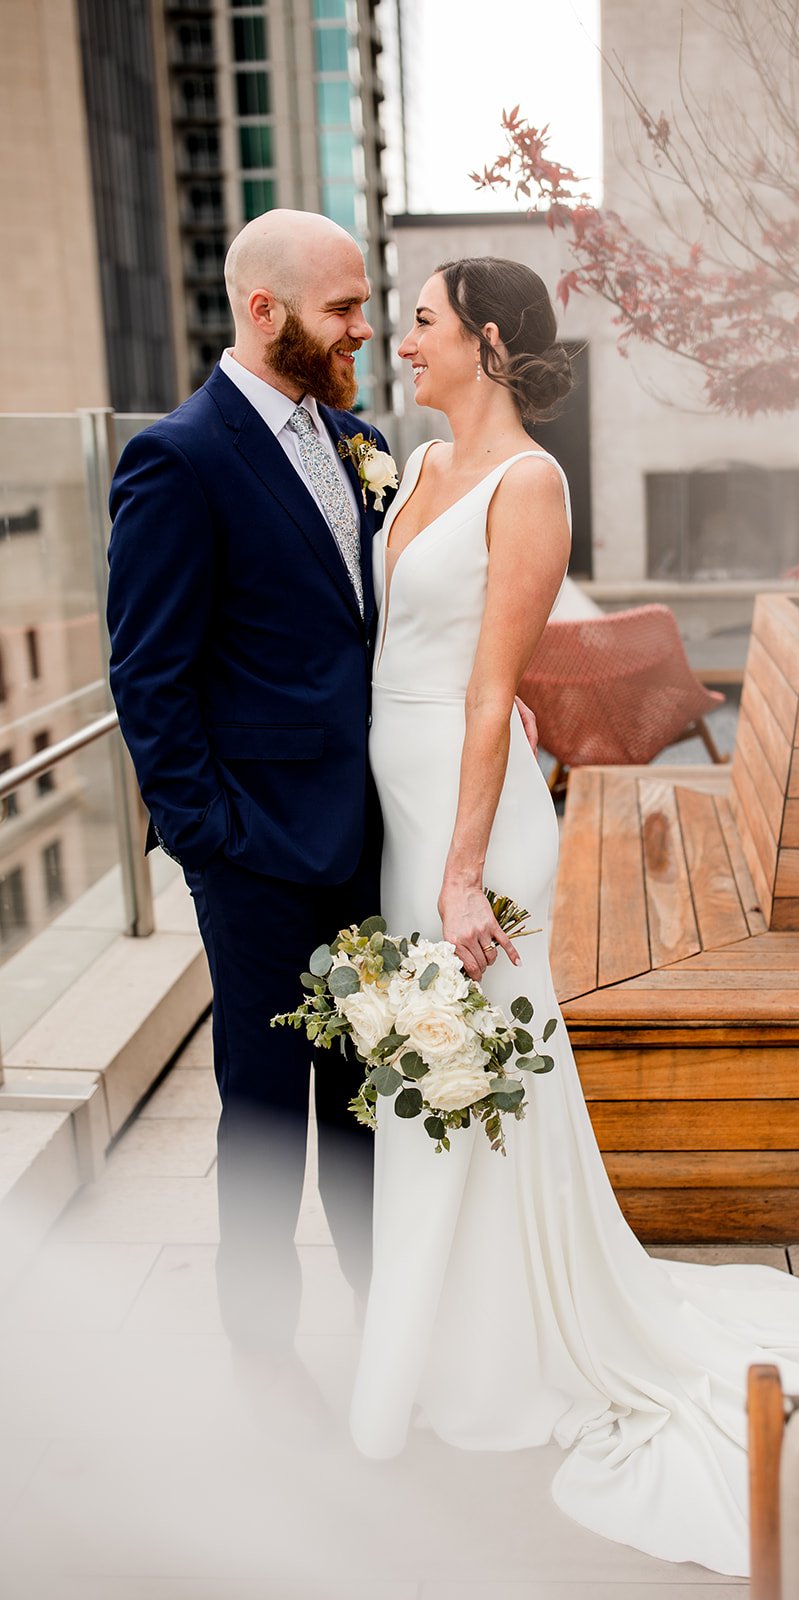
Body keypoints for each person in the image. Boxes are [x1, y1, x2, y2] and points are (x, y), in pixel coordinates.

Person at [349, 255, 799, 1577]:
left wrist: (461, 872)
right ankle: (450, 1343)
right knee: (434, 1085)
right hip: (408, 810)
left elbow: (490, 692)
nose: (400, 340)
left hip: (468, 833)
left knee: (467, 1081)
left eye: (419, 321)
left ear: (486, 341)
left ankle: (472, 1363)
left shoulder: (527, 484)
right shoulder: (416, 466)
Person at [107, 210, 392, 1387]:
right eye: (342, 307)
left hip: (367, 840)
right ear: (263, 309)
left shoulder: (360, 441)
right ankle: (263, 1356)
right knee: (267, 1115)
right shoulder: (177, 459)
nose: (363, 327)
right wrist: (207, 839)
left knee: (368, 1104)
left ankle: (387, 1328)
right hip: (256, 854)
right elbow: (148, 675)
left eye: (365, 303)